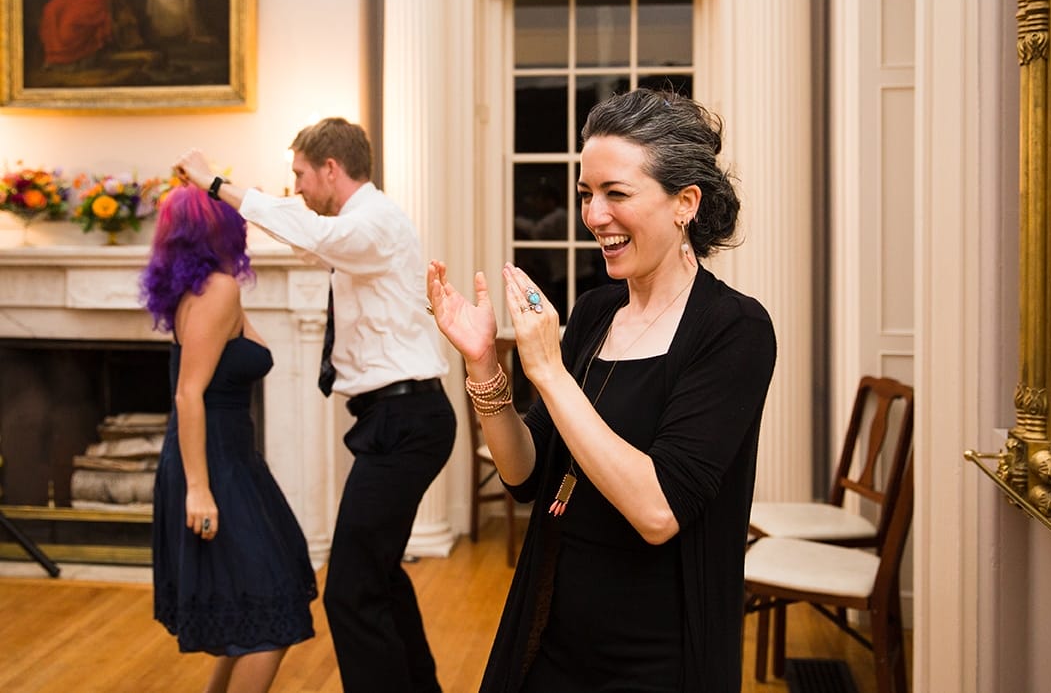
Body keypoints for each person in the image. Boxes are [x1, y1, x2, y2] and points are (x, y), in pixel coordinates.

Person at [427, 87, 778, 692]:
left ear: (684, 203)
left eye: (617, 193)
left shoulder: (734, 330)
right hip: (551, 641)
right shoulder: (594, 312)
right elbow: (524, 473)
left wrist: (549, 371)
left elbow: (657, 511)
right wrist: (485, 366)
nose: (593, 215)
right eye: (587, 194)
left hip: (658, 662)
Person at [173, 116, 456, 693]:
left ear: (331, 168)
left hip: (407, 421)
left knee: (350, 589)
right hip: (394, 419)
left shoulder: (372, 222)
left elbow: (311, 234)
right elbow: (306, 238)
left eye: (300, 173)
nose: (297, 187)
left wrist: (212, 183)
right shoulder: (355, 228)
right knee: (378, 576)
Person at [141, 185, 317, 693]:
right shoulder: (216, 289)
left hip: (231, 460)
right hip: (213, 465)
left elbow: (251, 351)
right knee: (271, 613)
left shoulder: (209, 290)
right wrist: (199, 489)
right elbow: (188, 396)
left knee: (258, 616)